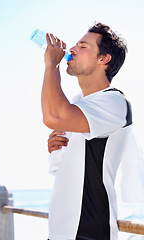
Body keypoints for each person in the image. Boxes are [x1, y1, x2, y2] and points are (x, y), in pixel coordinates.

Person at [41, 22, 142, 240]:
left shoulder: (115, 102)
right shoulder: (78, 105)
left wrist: (52, 65)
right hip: (60, 232)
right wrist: (59, 150)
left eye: (83, 46)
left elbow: (53, 116)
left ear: (103, 59)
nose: (72, 50)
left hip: (89, 233)